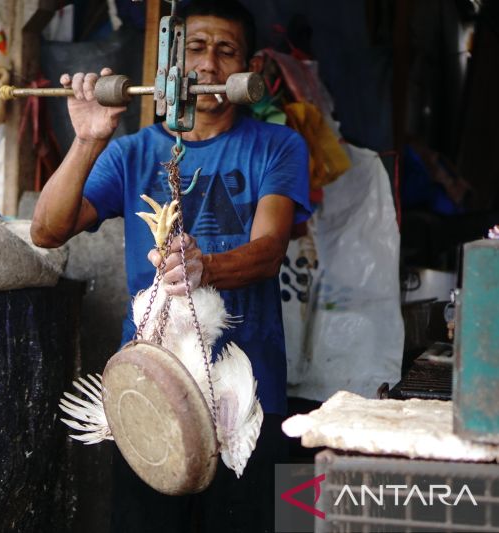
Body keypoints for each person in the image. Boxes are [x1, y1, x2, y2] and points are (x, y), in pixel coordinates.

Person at [32, 0, 311, 531]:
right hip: (150, 390)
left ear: (250, 68)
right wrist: (89, 139)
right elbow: (48, 231)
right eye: (195, 49)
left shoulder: (278, 146)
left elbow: (270, 248)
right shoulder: (131, 152)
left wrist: (207, 268)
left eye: (227, 51)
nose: (208, 66)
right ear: (167, 65)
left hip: (246, 398)